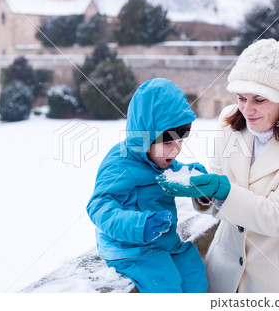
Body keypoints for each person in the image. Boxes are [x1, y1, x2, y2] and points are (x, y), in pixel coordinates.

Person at [158, 39, 279, 292]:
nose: (247, 109)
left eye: (259, 100)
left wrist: (224, 191)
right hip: (224, 274)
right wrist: (204, 191)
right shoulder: (229, 122)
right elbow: (218, 194)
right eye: (241, 97)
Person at [86, 78, 208, 293]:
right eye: (168, 142)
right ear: (144, 137)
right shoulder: (120, 163)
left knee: (193, 271)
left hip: (164, 242)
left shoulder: (159, 158)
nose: (176, 150)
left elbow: (174, 171)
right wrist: (139, 225)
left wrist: (191, 176)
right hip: (129, 248)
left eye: (181, 141)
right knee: (166, 284)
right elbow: (98, 206)